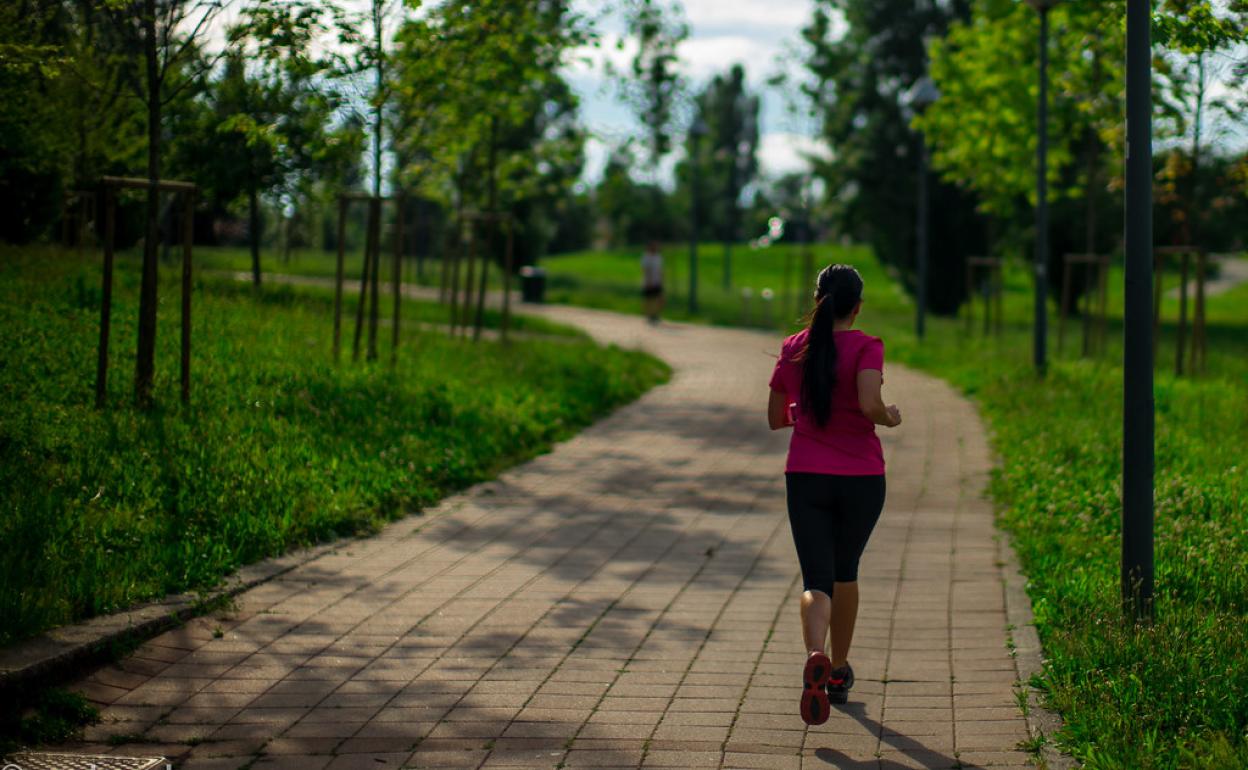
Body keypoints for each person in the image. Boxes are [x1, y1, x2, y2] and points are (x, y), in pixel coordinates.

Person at [766, 264, 902, 726]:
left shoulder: (794, 348)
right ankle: (839, 672)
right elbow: (869, 404)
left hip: (806, 475)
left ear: (818, 300)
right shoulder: (868, 346)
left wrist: (803, 410)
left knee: (816, 580)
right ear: (858, 305)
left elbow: (776, 417)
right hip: (862, 477)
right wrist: (889, 416)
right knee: (847, 571)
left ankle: (814, 654)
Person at [641, 241, 664, 323]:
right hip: (649, 282)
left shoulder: (658, 257)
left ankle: (655, 314)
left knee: (659, 299)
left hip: (657, 281)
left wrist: (662, 280)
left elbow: (660, 270)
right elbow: (646, 270)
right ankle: (649, 315)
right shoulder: (646, 257)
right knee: (649, 300)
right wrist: (648, 281)